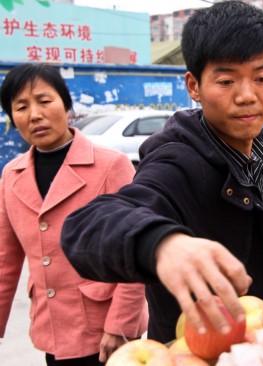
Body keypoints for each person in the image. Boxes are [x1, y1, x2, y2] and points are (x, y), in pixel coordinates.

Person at [61, 1, 263, 344]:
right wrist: (162, 243)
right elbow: (86, 227)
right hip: (192, 348)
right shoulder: (177, 163)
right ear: (194, 86)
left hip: (253, 341)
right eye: (226, 81)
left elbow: (252, 240)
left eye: (261, 78)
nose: (247, 96)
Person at [0, 63, 148, 365]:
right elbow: (5, 259)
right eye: (21, 107)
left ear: (67, 105)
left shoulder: (111, 165)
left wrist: (121, 322)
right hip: (52, 326)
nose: (35, 114)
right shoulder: (11, 176)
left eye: (44, 101)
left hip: (105, 330)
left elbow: (134, 250)